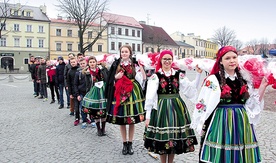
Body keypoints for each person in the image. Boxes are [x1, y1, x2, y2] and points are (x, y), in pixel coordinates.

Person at [191, 46, 269, 163]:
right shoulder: (213, 79)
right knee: (222, 156)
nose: (232, 60)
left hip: (241, 121)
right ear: (221, 62)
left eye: (234, 57)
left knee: (240, 156)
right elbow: (203, 103)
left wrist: (263, 86)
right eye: (227, 58)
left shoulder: (244, 78)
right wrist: (200, 123)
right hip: (221, 120)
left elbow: (252, 103)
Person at [143, 50, 202, 163]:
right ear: (160, 60)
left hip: (177, 108)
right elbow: (150, 96)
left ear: (172, 60)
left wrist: (199, 74)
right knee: (164, 138)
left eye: (169, 59)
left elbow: (191, 87)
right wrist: (148, 116)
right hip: (161, 109)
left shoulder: (178, 74)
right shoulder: (156, 76)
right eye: (164, 59)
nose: (167, 61)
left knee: (174, 137)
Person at [105, 44, 147, 155]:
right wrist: (116, 77)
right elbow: (109, 79)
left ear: (130, 53)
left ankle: (130, 143)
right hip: (119, 92)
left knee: (132, 120)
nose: (124, 53)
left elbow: (142, 78)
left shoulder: (135, 64)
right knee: (122, 121)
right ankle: (124, 144)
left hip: (133, 91)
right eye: (122, 52)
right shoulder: (116, 64)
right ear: (120, 53)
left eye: (126, 52)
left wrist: (142, 67)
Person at [82, 56, 108, 135]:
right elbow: (87, 84)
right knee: (95, 111)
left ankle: (103, 128)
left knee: (103, 110)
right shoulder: (87, 73)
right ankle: (98, 129)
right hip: (93, 92)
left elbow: (106, 78)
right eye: (90, 62)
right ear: (88, 63)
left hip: (102, 91)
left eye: (93, 62)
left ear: (96, 62)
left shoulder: (101, 69)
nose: (92, 64)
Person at [74, 58, 92, 129]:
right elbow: (75, 84)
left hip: (90, 92)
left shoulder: (90, 71)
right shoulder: (78, 73)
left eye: (83, 63)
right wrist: (77, 94)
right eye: (81, 64)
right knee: (83, 107)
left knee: (91, 107)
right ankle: (84, 120)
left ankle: (92, 120)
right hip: (81, 92)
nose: (82, 65)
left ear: (86, 63)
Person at [66, 57, 80, 124]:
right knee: (76, 106)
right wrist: (70, 93)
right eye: (71, 62)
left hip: (80, 89)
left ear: (76, 62)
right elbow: (68, 82)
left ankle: (85, 118)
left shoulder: (80, 69)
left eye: (74, 62)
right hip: (74, 90)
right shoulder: (69, 71)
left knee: (83, 106)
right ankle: (77, 118)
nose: (73, 63)